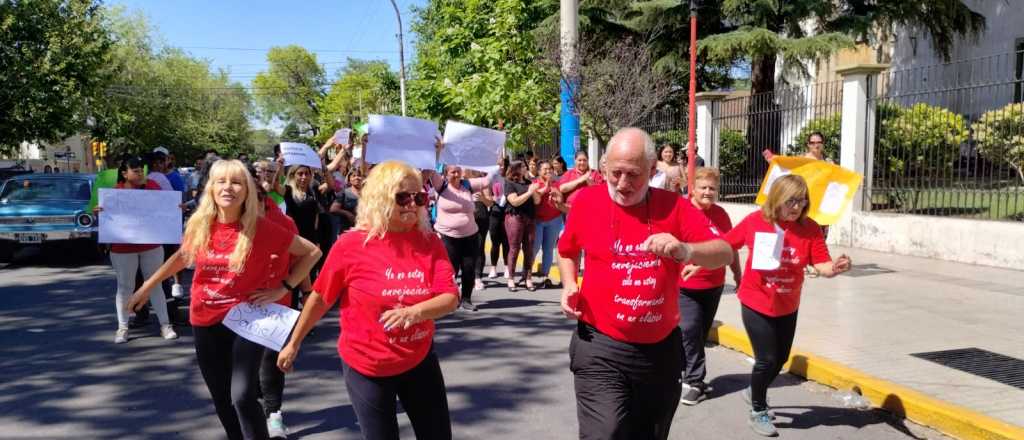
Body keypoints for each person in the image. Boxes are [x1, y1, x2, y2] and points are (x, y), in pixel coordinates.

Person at [557, 128, 734, 440]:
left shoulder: (675, 207)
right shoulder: (587, 202)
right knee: (603, 433)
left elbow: (724, 252)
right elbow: (567, 250)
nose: (622, 183)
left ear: (652, 170)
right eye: (615, 173)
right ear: (604, 168)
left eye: (634, 175)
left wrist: (685, 249)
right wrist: (569, 284)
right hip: (600, 344)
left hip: (659, 352)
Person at [127, 159, 321, 440]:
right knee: (221, 397)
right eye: (221, 181)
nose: (228, 188)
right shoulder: (200, 224)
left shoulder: (261, 227)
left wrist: (283, 288)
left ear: (247, 190)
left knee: (241, 395)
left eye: (236, 182)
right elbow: (182, 257)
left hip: (246, 319)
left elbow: (312, 252)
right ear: (211, 188)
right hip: (204, 318)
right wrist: (147, 286)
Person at [277, 160, 459, 440]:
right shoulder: (350, 245)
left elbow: (450, 297)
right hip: (367, 365)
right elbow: (321, 298)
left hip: (418, 359)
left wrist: (414, 312)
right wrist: (294, 342)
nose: (413, 204)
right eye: (403, 197)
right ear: (380, 198)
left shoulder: (429, 241)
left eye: (419, 197)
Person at [722, 174, 851, 437]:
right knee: (766, 359)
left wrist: (835, 268)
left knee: (780, 359)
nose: (796, 207)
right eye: (791, 201)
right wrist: (697, 260)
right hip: (756, 300)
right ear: (777, 198)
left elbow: (821, 263)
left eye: (801, 201)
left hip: (788, 304)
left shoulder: (810, 228)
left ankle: (754, 390)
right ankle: (758, 410)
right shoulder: (756, 221)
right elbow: (725, 245)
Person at [675, 168, 743, 406]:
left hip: (713, 285)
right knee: (689, 330)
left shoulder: (721, 214)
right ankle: (695, 382)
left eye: (712, 188)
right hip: (684, 286)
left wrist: (738, 274)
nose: (707, 192)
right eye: (703, 187)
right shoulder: (681, 211)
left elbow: (730, 248)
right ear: (692, 189)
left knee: (699, 334)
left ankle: (685, 372)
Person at [97, 156, 178, 344]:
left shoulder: (153, 187)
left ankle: (165, 325)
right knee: (125, 286)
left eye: (141, 170)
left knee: (155, 284)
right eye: (136, 171)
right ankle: (123, 327)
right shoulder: (114, 194)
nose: (140, 174)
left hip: (151, 245)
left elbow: (165, 209)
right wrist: (100, 212)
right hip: (122, 248)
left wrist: (175, 209)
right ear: (125, 174)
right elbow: (106, 216)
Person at [426, 160, 497, 311]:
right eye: (453, 172)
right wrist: (436, 152)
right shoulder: (441, 185)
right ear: (446, 174)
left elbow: (487, 181)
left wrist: (495, 165)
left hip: (470, 235)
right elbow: (431, 170)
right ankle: (448, 299)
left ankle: (466, 299)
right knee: (450, 269)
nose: (457, 174)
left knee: (469, 268)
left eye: (458, 171)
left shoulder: (467, 185)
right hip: (448, 236)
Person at [503, 160, 539, 292]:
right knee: (514, 248)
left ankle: (528, 278)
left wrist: (534, 191)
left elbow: (537, 201)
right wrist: (529, 192)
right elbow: (514, 201)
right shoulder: (510, 183)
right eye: (522, 166)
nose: (525, 168)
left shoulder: (529, 183)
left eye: (525, 166)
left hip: (530, 218)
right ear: (515, 169)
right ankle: (511, 278)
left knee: (529, 248)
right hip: (515, 217)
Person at [531, 160, 564, 288]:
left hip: (554, 219)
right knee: (535, 247)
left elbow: (561, 199)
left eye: (550, 168)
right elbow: (536, 200)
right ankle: (527, 273)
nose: (548, 171)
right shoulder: (534, 184)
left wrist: (556, 192)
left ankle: (545, 275)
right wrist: (546, 186)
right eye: (545, 169)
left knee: (548, 249)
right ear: (539, 171)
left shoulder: (557, 183)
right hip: (538, 221)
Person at [483, 158, 509, 279]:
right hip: (495, 211)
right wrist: (492, 198)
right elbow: (487, 194)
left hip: (508, 211)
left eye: (503, 165)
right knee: (495, 242)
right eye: (498, 165)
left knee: (506, 241)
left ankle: (507, 267)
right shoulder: (491, 177)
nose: (501, 167)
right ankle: (493, 268)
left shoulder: (509, 176)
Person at [330, 169, 363, 233]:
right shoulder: (344, 193)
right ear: (349, 179)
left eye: (359, 175)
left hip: (362, 228)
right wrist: (347, 214)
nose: (357, 177)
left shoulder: (366, 193)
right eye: (354, 176)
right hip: (347, 229)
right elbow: (333, 209)